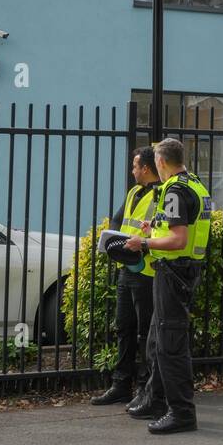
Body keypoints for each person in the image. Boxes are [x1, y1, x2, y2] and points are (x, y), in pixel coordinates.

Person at [123, 137, 212, 434]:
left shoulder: (174, 189)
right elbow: (177, 227)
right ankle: (155, 399)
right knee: (156, 341)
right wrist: (154, 228)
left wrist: (144, 242)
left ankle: (182, 413)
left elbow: (179, 240)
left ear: (160, 162)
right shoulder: (194, 183)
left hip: (174, 272)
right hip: (179, 272)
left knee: (170, 345)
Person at [90, 146, 161, 406]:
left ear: (145, 168)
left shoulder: (161, 194)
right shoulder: (134, 192)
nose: (132, 170)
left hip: (148, 271)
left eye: (135, 166)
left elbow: (163, 231)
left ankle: (144, 388)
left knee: (145, 333)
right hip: (127, 269)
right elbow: (117, 221)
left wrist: (144, 238)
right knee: (124, 328)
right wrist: (112, 240)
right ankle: (121, 385)